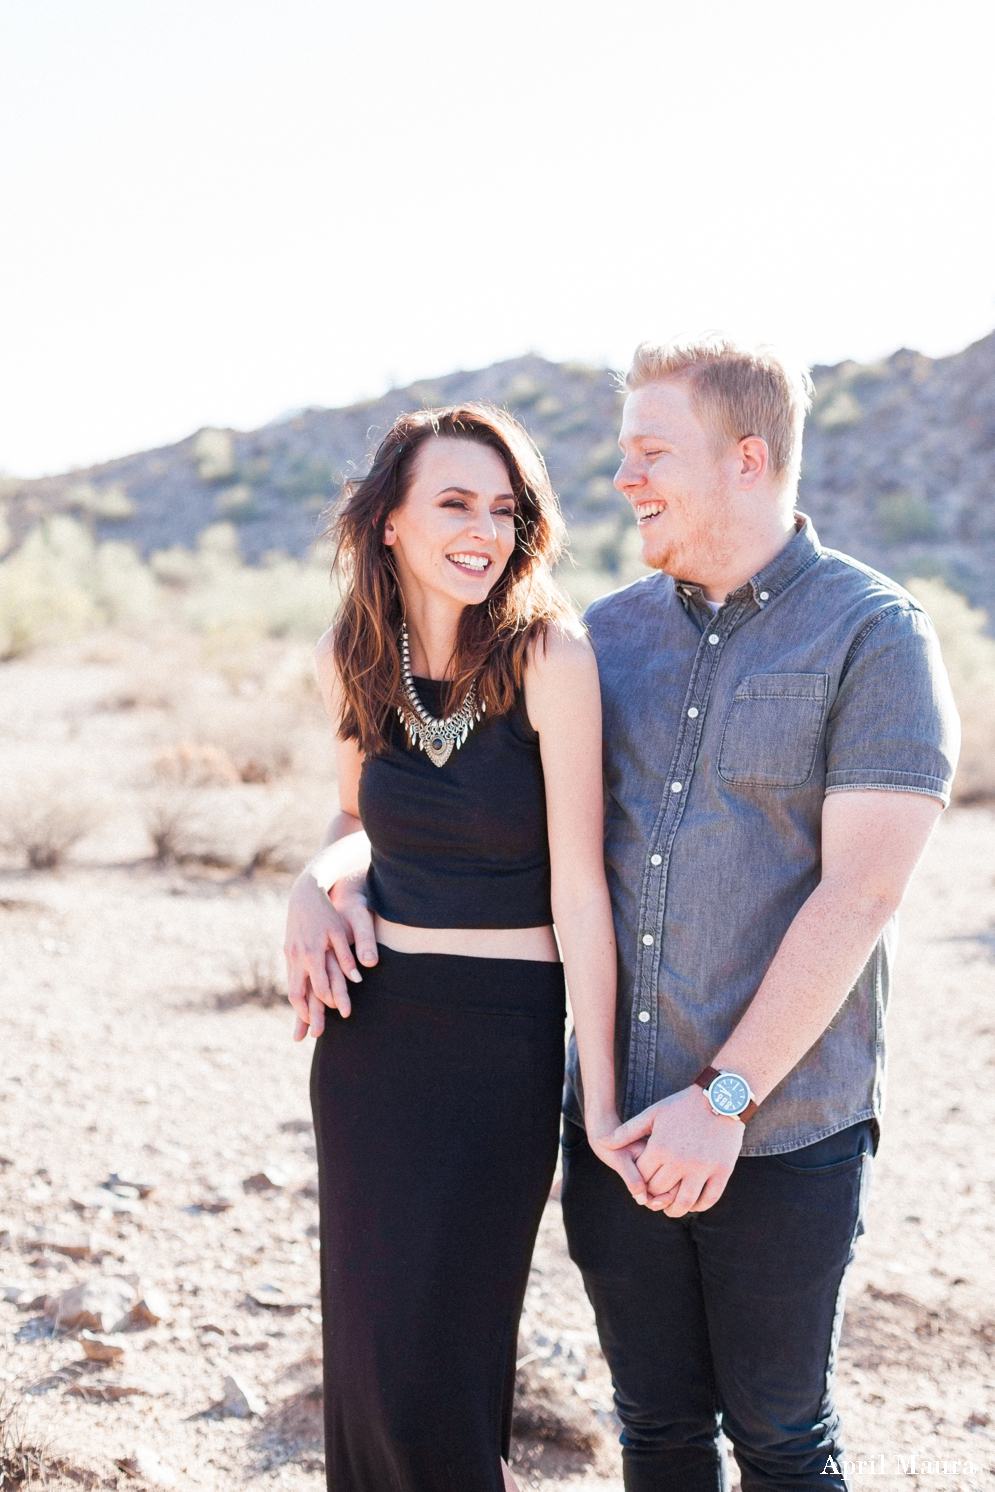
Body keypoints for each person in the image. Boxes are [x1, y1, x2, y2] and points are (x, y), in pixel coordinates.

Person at [561, 337, 960, 1491]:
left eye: (649, 452)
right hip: (617, 1132)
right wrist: (332, 872)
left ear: (745, 458)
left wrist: (722, 1099)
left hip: (782, 1133)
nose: (625, 477)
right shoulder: (604, 637)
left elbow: (862, 891)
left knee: (782, 1440)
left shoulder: (872, 634)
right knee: (655, 1432)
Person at [282, 404, 636, 1492]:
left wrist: (604, 1095)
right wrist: (313, 882)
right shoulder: (358, 651)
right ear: (388, 519)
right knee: (372, 1367)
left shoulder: (546, 653)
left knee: (440, 1376)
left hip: (498, 1049)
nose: (483, 527)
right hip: (370, 1041)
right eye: (453, 502)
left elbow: (581, 891)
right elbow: (353, 828)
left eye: (502, 506)